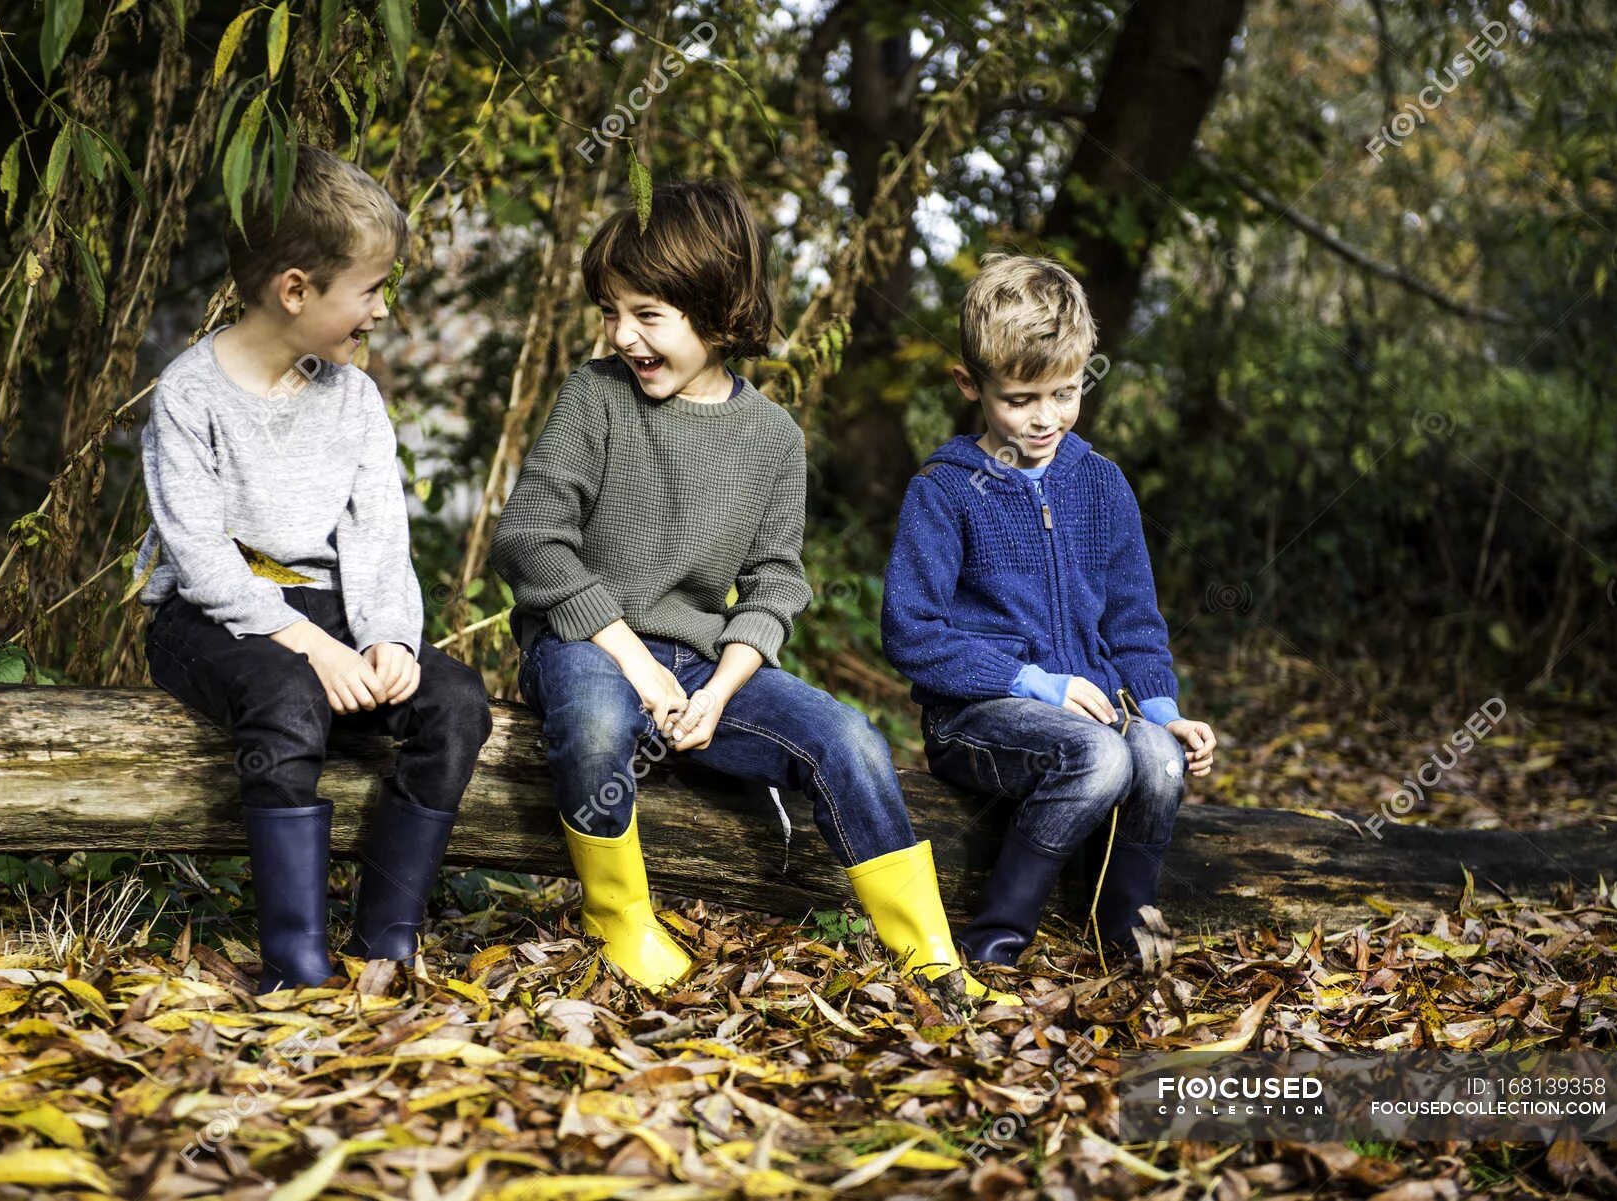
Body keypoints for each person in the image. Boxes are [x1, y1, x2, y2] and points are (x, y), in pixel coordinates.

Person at [490, 179, 1017, 1005]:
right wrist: (630, 658)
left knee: (847, 736)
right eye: (610, 312)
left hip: (703, 664)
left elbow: (775, 581)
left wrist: (718, 690)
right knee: (596, 722)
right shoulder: (594, 397)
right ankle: (619, 921)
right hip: (587, 643)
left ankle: (931, 960)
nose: (622, 334)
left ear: (718, 308)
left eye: (647, 314)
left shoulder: (773, 436)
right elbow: (530, 537)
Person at [135, 144, 492, 994]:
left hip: (329, 609)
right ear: (296, 290)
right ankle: (295, 960)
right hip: (209, 620)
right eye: (367, 290)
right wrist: (314, 650)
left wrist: (389, 641)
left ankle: (385, 942)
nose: (379, 310)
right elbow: (204, 562)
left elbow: (376, 538)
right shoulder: (189, 397)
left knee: (455, 702)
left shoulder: (354, 398)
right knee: (290, 700)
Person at [881, 252, 1217, 967]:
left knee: (1158, 761)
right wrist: (1033, 683)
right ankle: (996, 934)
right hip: (976, 717)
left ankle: (1121, 927)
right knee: (1098, 756)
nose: (1045, 420)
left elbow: (1133, 622)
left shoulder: (1100, 483)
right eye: (1020, 400)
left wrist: (1163, 711)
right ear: (971, 385)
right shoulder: (944, 490)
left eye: (1064, 395)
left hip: (1089, 706)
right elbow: (911, 633)